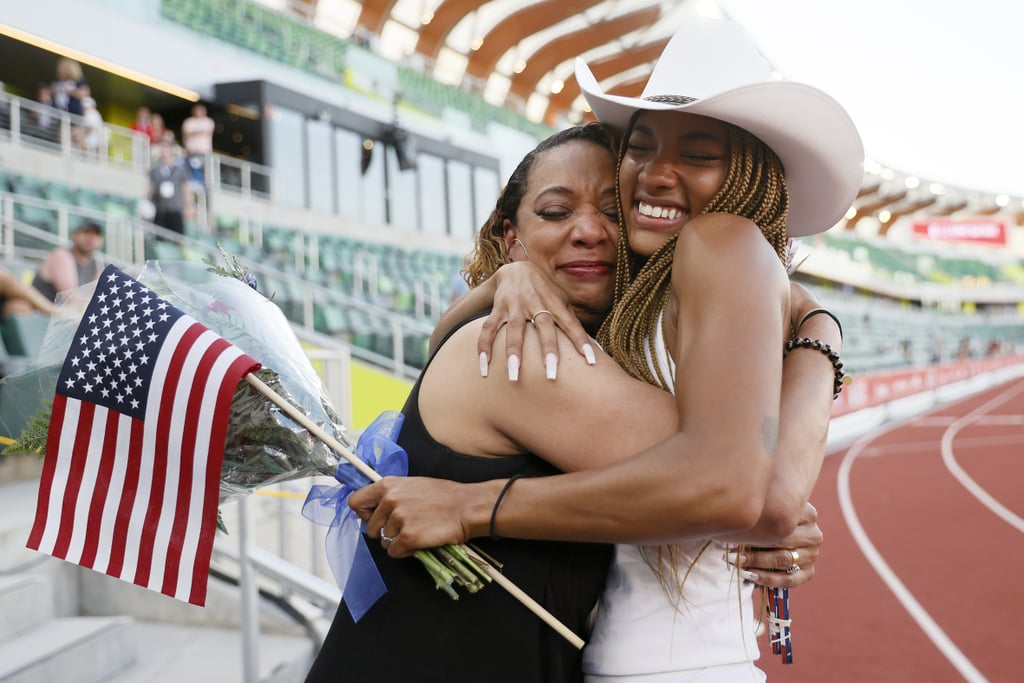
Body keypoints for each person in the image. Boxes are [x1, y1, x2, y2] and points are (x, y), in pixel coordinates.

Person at [349, 19, 861, 682]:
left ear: (749, 175)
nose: (654, 172)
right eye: (641, 146)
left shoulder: (718, 243)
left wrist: (821, 329)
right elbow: (756, 495)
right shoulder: (610, 316)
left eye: (698, 152)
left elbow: (750, 493)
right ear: (511, 236)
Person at [31, 219, 104, 302]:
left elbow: (99, 294)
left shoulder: (96, 263)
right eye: (86, 232)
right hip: (41, 311)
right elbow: (70, 297)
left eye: (96, 234)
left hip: (63, 312)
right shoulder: (61, 255)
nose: (91, 238)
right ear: (74, 235)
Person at [147, 141, 194, 237]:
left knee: (178, 236)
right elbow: (151, 187)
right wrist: (146, 202)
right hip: (160, 209)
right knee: (159, 237)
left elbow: (185, 189)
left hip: (175, 210)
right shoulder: (155, 170)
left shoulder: (180, 170)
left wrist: (188, 206)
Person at [180, 103, 215, 189]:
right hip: (191, 152)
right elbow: (186, 132)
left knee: (203, 174)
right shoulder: (189, 121)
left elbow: (206, 131)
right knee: (189, 172)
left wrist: (194, 132)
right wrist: (199, 132)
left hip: (203, 153)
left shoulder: (208, 121)